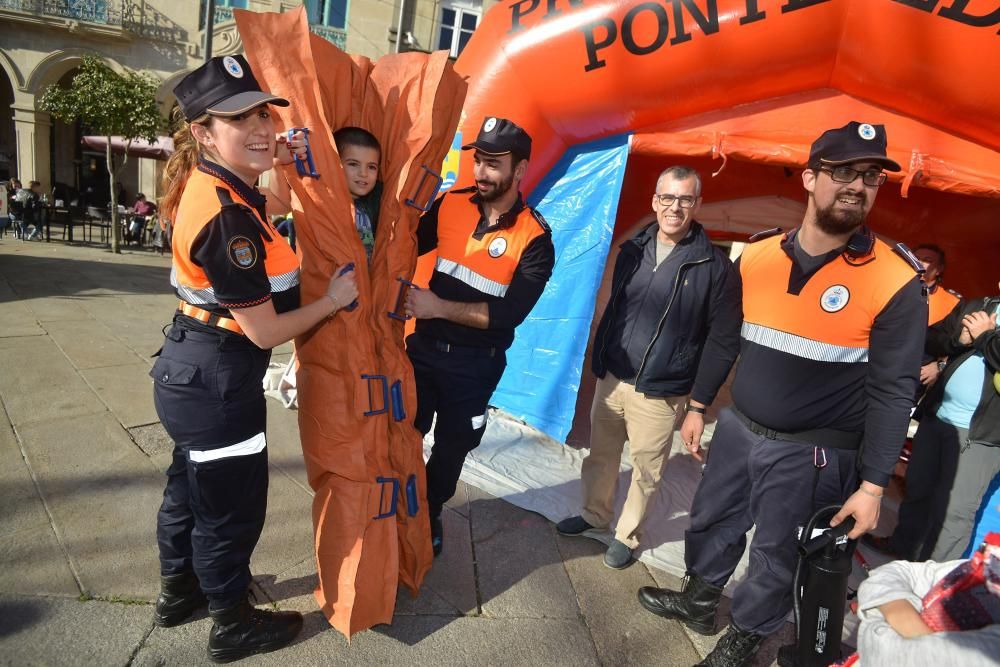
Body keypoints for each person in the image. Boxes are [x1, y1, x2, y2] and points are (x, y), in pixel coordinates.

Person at [636, 121, 927, 666]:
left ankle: (743, 640)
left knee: (776, 554)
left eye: (870, 176)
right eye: (841, 172)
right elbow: (724, 339)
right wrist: (699, 406)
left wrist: (871, 486)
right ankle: (698, 602)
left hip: (814, 454)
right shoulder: (759, 255)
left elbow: (894, 391)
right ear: (810, 178)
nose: (856, 185)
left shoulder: (894, 279)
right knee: (711, 520)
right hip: (740, 429)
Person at [151, 54, 358, 663]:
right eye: (241, 117)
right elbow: (265, 332)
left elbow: (269, 213)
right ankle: (231, 623)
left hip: (192, 368)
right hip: (220, 377)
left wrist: (282, 167)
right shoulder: (225, 216)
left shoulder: (221, 188)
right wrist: (333, 301)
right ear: (203, 133)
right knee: (229, 509)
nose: (263, 126)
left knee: (187, 493)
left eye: (264, 111)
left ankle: (178, 594)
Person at [555, 165, 742, 569]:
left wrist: (698, 405)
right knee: (600, 455)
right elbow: (616, 309)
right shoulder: (634, 249)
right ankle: (594, 515)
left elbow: (723, 342)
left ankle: (627, 534)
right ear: (655, 201)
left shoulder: (715, 268)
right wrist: (600, 361)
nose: (674, 207)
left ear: (697, 204)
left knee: (646, 470)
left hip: (661, 391)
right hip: (613, 378)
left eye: (685, 199)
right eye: (667, 198)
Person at [404, 116, 555, 557]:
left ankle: (430, 510)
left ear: (521, 169)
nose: (482, 172)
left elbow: (510, 314)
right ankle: (398, 507)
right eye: (479, 160)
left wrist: (436, 306)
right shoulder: (450, 204)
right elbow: (404, 245)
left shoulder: (536, 238)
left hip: (475, 367)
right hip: (422, 351)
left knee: (452, 447)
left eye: (494, 163)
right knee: (403, 432)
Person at [865, 286, 1000, 562]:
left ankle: (933, 576)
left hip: (981, 436)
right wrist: (959, 340)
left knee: (955, 511)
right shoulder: (977, 304)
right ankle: (902, 549)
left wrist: (985, 336)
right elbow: (930, 339)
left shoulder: (985, 325)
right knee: (918, 489)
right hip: (938, 417)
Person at [849, 535, 1000, 667]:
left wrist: (881, 607)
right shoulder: (991, 562)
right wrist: (899, 612)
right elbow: (897, 571)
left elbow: (886, 655)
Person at [914, 243, 963, 388]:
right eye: (915, 257)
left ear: (939, 269)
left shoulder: (952, 302)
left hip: (917, 377)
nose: (919, 262)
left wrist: (939, 366)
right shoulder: (889, 287)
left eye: (927, 260)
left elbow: (959, 343)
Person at [333, 126, 382, 264]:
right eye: (353, 164)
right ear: (334, 164)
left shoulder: (379, 200)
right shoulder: (327, 202)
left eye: (371, 167)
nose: (363, 174)